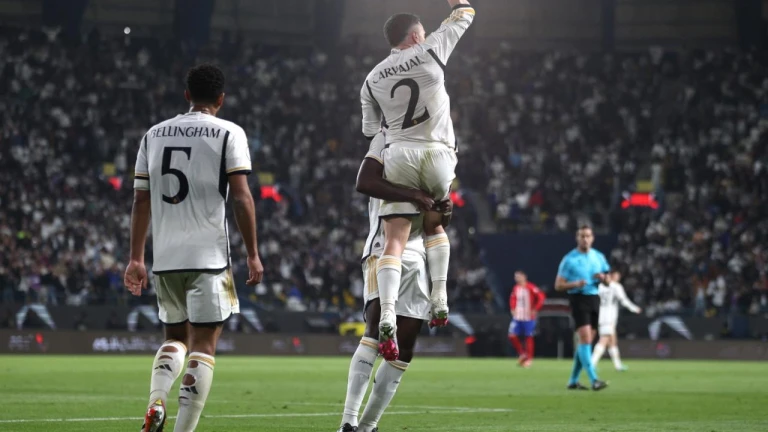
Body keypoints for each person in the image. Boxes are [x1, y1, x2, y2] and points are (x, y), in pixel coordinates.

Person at [124, 63, 264, 432]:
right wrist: (252, 253)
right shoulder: (229, 133)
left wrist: (136, 258)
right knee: (204, 345)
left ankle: (157, 399)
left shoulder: (153, 135)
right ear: (221, 98)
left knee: (175, 338)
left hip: (165, 259)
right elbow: (241, 197)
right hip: (210, 258)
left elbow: (140, 200)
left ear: (186, 95)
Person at [359, 0, 475, 360]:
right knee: (435, 225)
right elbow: (466, 13)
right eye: (422, 33)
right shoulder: (430, 49)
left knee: (394, 239)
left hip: (399, 153)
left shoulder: (372, 79)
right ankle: (440, 296)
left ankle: (387, 313)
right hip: (439, 153)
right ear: (414, 36)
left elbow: (370, 130)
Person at [337, 132, 452, 432]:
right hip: (383, 248)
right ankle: (348, 422)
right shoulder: (387, 138)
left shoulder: (435, 144)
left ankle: (368, 426)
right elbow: (364, 182)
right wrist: (412, 194)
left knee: (407, 347)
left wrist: (444, 212)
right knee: (375, 333)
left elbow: (434, 223)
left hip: (417, 255)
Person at [554, 225, 609, 391]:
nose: (585, 239)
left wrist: (603, 278)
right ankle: (594, 379)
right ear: (577, 238)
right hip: (578, 299)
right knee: (585, 338)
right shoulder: (569, 259)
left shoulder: (598, 257)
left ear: (592, 238)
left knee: (588, 341)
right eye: (582, 236)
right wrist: (575, 284)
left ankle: (573, 381)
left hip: (594, 298)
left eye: (588, 236)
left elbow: (608, 281)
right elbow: (558, 285)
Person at [592, 270, 642, 371]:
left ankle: (618, 365)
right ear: (610, 276)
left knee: (612, 341)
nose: (617, 278)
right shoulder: (616, 287)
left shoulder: (599, 287)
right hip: (609, 317)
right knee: (604, 340)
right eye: (615, 275)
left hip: (601, 316)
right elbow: (623, 300)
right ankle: (591, 364)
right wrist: (635, 308)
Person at [508, 271, 546, 368]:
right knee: (512, 335)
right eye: (516, 277)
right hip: (517, 317)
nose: (517, 278)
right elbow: (513, 298)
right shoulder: (516, 288)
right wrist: (512, 308)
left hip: (528, 317)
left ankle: (529, 359)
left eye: (519, 276)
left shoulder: (531, 287)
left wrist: (535, 309)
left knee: (528, 336)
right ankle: (522, 354)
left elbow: (541, 297)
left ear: (524, 277)